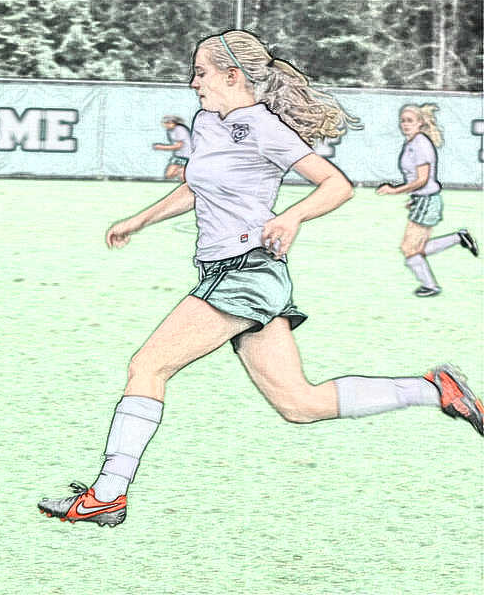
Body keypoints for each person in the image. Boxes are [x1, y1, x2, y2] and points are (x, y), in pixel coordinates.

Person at [37, 30, 483, 528]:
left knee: (148, 366)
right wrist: (139, 220)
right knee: (300, 404)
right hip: (235, 272)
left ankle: (107, 494)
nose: (193, 82)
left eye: (201, 72)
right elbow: (197, 187)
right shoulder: (208, 122)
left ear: (233, 75)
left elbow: (336, 185)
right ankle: (434, 388)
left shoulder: (264, 127)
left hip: (246, 270)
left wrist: (291, 217)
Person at [376, 104, 478, 297]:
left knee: (409, 248)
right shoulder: (413, 142)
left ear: (420, 123)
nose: (405, 124)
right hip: (423, 200)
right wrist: (413, 198)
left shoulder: (420, 144)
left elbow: (422, 179)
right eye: (403, 121)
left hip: (427, 201)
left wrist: (394, 191)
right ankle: (459, 238)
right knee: (416, 248)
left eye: (410, 121)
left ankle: (431, 286)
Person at [152, 115, 192, 181]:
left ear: (174, 123)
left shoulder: (180, 129)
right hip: (178, 156)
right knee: (169, 175)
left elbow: (178, 146)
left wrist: (161, 147)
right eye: (165, 123)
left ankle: (184, 172)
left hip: (187, 156)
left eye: (168, 123)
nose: (166, 125)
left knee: (183, 177)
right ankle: (182, 171)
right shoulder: (170, 131)